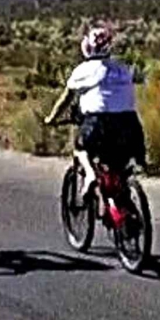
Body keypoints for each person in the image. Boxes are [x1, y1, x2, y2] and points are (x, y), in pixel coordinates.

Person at [45, 24, 147, 195]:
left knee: (80, 148)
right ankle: (125, 208)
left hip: (98, 122)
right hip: (130, 122)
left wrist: (52, 118)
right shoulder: (122, 69)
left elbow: (66, 98)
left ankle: (90, 174)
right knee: (119, 167)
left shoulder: (83, 70)